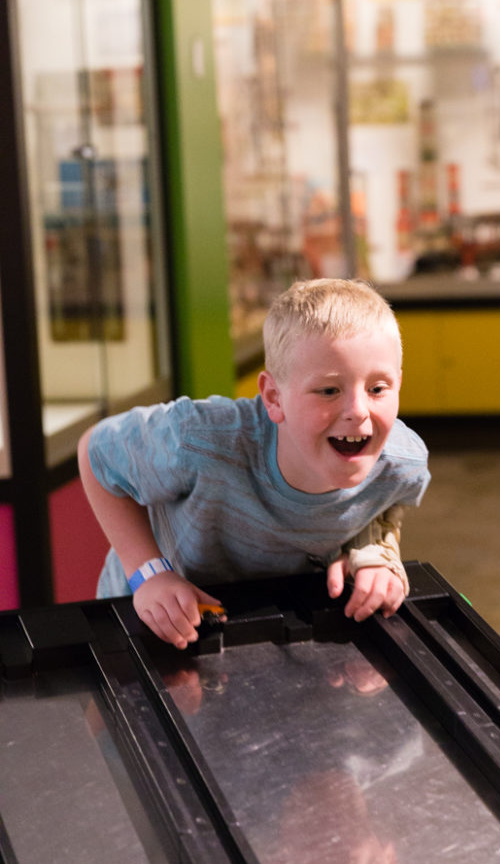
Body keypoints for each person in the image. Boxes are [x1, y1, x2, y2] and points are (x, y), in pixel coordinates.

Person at [78, 278, 430, 650]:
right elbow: (94, 453)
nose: (358, 412)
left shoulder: (401, 461)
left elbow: (387, 502)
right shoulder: (199, 439)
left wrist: (374, 550)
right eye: (329, 390)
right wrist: (148, 575)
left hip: (266, 629)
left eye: (377, 389)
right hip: (146, 619)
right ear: (274, 397)